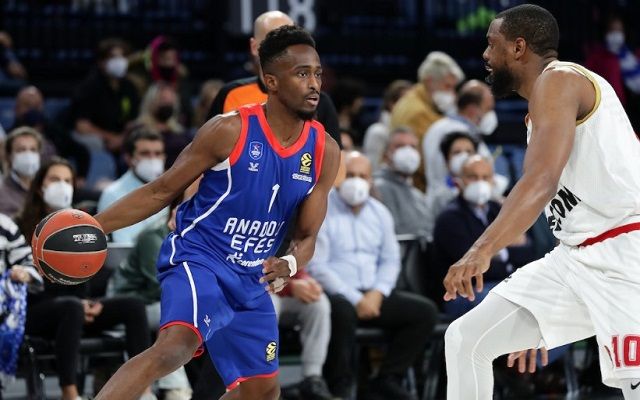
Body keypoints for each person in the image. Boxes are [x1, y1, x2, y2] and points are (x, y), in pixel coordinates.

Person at [90, 25, 339, 400]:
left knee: (263, 392)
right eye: (302, 74)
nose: (314, 84)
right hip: (200, 258)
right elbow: (161, 190)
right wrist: (94, 226)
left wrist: (289, 263)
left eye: (317, 73)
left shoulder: (325, 151)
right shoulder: (229, 130)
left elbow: (307, 237)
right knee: (175, 346)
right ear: (271, 81)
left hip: (251, 276)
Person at [443, 5, 640, 400]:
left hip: (624, 253)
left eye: (492, 44)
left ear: (519, 47)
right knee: (467, 339)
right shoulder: (543, 107)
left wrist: (482, 249)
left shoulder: (559, 80)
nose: (485, 54)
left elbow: (541, 181)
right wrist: (542, 321)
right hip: (574, 257)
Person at [16, 158, 153, 400]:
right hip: (35, 309)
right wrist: (79, 304)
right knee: (71, 307)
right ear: (40, 186)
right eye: (55, 179)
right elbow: (26, 282)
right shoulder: (21, 225)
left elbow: (87, 270)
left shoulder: (81, 224)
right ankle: (70, 393)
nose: (62, 185)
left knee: (133, 306)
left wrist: (89, 302)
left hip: (76, 307)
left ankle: (143, 391)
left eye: (67, 180)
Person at [308, 151, 438, 400]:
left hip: (374, 295)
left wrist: (378, 293)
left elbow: (390, 260)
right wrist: (356, 299)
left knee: (424, 313)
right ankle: (340, 387)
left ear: (371, 180)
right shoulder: (322, 209)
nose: (356, 181)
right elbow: (317, 266)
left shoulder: (380, 213)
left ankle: (387, 379)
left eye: (362, 176)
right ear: (339, 177)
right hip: (339, 294)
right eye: (350, 175)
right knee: (340, 312)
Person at [209, 11, 340, 142]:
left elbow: (334, 153)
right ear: (254, 47)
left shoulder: (320, 101)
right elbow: (209, 147)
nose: (286, 50)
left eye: (291, 42)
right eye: (275, 41)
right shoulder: (230, 94)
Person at [110, 197, 192, 400]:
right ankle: (173, 389)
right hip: (131, 303)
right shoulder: (154, 237)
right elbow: (161, 285)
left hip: (158, 303)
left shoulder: (195, 238)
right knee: (181, 316)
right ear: (174, 210)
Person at [433, 155, 534, 318]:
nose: (480, 182)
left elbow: (528, 251)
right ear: (460, 181)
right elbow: (473, 268)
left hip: (501, 284)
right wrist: (507, 253)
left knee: (541, 297)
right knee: (505, 303)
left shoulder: (498, 209)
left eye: (485, 177)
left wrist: (497, 254)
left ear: (493, 181)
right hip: (464, 294)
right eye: (473, 177)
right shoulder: (449, 218)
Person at [390, 51, 465, 191]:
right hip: (417, 189)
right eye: (448, 86)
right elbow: (429, 162)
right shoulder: (419, 112)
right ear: (429, 81)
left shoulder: (410, 99)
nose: (453, 94)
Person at [422, 80, 497, 195]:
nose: (491, 114)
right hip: (455, 198)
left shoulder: (436, 126)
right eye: (488, 108)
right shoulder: (462, 136)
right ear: (472, 109)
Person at [69, 38, 140, 154]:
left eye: (122, 56)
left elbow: (132, 121)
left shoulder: (129, 87)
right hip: (98, 138)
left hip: (122, 139)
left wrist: (122, 139)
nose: (119, 61)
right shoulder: (88, 87)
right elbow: (82, 126)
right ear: (101, 62)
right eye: (113, 57)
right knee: (94, 142)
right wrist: (111, 138)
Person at [97, 129, 167, 244]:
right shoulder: (113, 194)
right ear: (129, 158)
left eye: (158, 153)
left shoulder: (175, 190)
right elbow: (123, 246)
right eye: (145, 153)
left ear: (164, 157)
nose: (152, 159)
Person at [373, 126, 432, 241]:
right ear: (385, 154)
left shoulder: (418, 195)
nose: (408, 152)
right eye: (400, 146)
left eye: (413, 147)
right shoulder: (378, 188)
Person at [585, 14, 640, 132]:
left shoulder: (630, 56)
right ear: (606, 33)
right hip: (604, 109)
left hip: (628, 110)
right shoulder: (597, 56)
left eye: (619, 30)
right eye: (612, 30)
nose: (616, 35)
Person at [132, 83, 190, 168]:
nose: (167, 104)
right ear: (151, 102)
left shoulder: (181, 133)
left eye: (170, 101)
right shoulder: (138, 130)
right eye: (163, 99)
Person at [363, 80, 412, 170]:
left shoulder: (410, 131)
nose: (410, 107)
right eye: (405, 103)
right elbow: (372, 168)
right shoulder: (377, 132)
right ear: (391, 104)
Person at [0, 127, 43, 217]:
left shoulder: (46, 187)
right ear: (9, 156)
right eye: (21, 150)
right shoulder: (2, 191)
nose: (28, 155)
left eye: (33, 149)